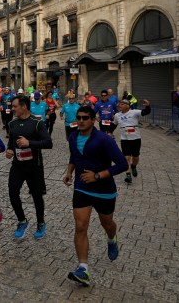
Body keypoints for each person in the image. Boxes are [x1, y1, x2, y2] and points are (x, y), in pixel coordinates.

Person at [62, 106, 129, 286]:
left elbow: (123, 165)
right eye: (79, 117)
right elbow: (74, 156)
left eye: (85, 118)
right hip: (81, 187)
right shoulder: (74, 136)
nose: (81, 121)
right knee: (80, 226)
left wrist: (98, 175)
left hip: (104, 189)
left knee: (107, 223)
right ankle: (83, 269)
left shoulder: (104, 140)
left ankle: (111, 238)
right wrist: (69, 172)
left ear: (93, 120)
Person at [6, 95, 53, 240]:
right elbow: (12, 141)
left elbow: (48, 143)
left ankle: (40, 222)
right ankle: (22, 221)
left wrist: (30, 143)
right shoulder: (12, 124)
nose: (12, 109)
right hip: (18, 165)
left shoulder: (37, 123)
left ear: (23, 106)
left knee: (37, 196)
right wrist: (10, 150)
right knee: (13, 192)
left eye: (14, 106)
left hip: (34, 166)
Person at [114, 98, 150, 184]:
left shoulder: (134, 112)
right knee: (127, 157)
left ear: (127, 105)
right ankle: (128, 175)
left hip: (135, 138)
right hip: (124, 139)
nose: (119, 106)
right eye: (119, 104)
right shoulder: (117, 115)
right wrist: (109, 132)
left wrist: (148, 106)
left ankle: (133, 166)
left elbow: (146, 112)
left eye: (122, 104)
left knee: (135, 156)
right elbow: (113, 124)